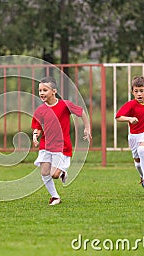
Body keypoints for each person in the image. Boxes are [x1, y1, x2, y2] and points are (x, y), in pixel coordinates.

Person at [32, 76, 92, 206]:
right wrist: (35, 135)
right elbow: (37, 126)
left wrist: (87, 128)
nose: (42, 93)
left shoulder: (65, 105)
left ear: (54, 91)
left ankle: (62, 172)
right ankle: (55, 197)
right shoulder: (40, 110)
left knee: (54, 174)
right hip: (45, 146)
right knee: (44, 172)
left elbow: (81, 112)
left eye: (45, 90)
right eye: (40, 90)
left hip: (61, 147)